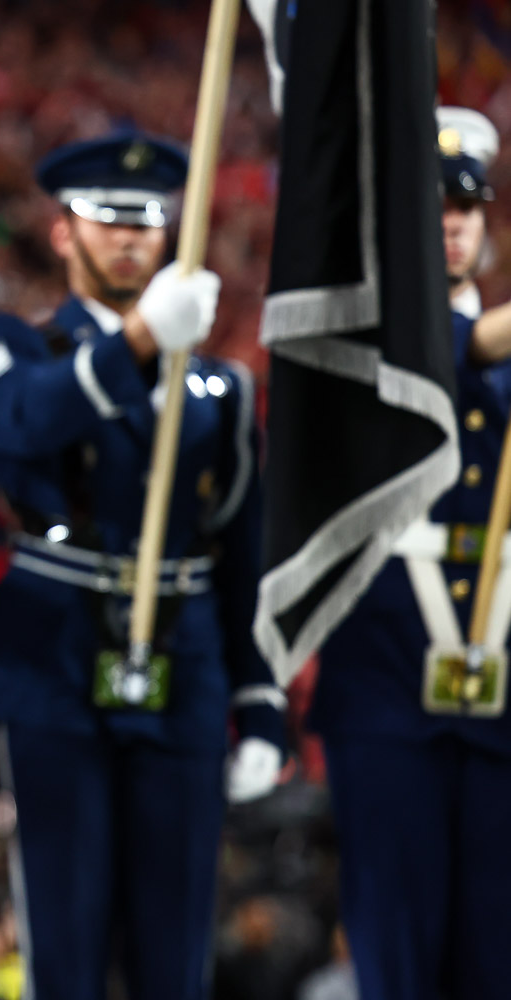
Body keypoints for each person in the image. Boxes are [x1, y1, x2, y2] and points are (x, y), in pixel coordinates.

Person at [0, 130, 286, 1000]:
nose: (130, 238)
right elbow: (20, 425)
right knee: (65, 931)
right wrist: (137, 339)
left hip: (186, 659)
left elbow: (239, 548)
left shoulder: (219, 386)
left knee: (176, 938)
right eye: (108, 220)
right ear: (65, 232)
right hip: (55, 658)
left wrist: (259, 700)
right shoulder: (14, 344)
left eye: (146, 222)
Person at [309, 105, 511, 1000]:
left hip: (503, 690)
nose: (452, 224)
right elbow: (433, 360)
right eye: (431, 208)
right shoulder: (346, 337)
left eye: (466, 208)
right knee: (396, 954)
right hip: (387, 683)